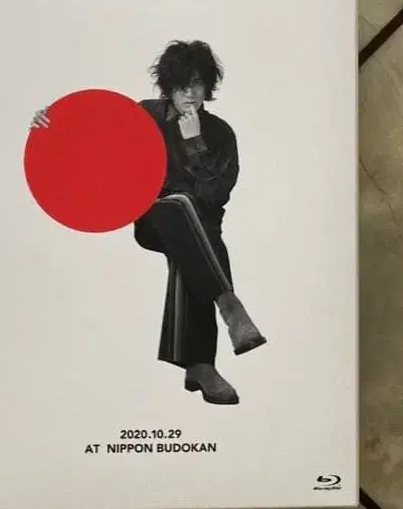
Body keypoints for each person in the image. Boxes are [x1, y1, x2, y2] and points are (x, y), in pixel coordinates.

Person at [30, 39, 266, 405]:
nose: (190, 93)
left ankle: (199, 367)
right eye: (182, 85)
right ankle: (230, 305)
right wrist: (50, 123)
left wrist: (195, 144)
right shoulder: (144, 115)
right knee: (175, 205)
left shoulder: (220, 133)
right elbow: (93, 140)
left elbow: (216, 196)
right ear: (168, 85)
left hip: (203, 228)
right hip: (153, 220)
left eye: (198, 84)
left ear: (208, 85)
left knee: (188, 244)